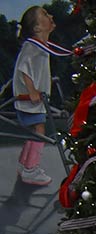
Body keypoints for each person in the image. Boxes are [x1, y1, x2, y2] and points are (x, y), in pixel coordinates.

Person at [13, 6, 68, 187]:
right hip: (29, 99)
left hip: (33, 100)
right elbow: (24, 70)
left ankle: (24, 165)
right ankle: (31, 169)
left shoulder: (41, 45)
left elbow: (36, 70)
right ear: (36, 28)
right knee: (40, 131)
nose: (50, 15)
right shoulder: (33, 46)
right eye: (45, 14)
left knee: (33, 131)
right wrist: (32, 91)